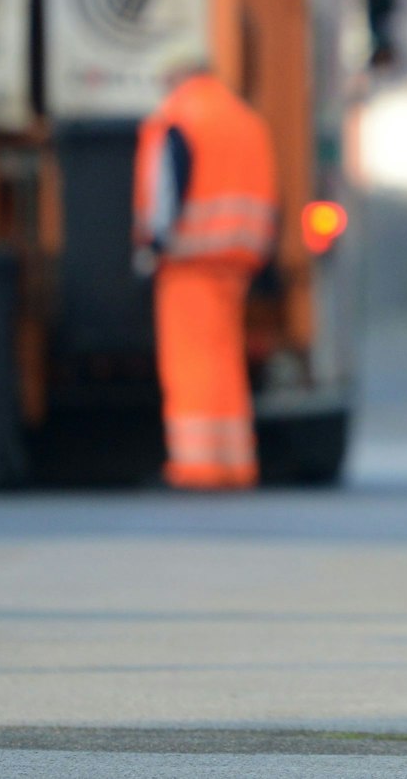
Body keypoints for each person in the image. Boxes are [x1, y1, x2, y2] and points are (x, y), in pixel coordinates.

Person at [134, 42, 278, 490]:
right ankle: (235, 462)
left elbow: (166, 190)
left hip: (189, 259)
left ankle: (197, 465)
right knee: (224, 360)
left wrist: (153, 244)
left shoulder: (178, 116)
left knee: (191, 362)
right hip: (238, 259)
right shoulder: (244, 119)